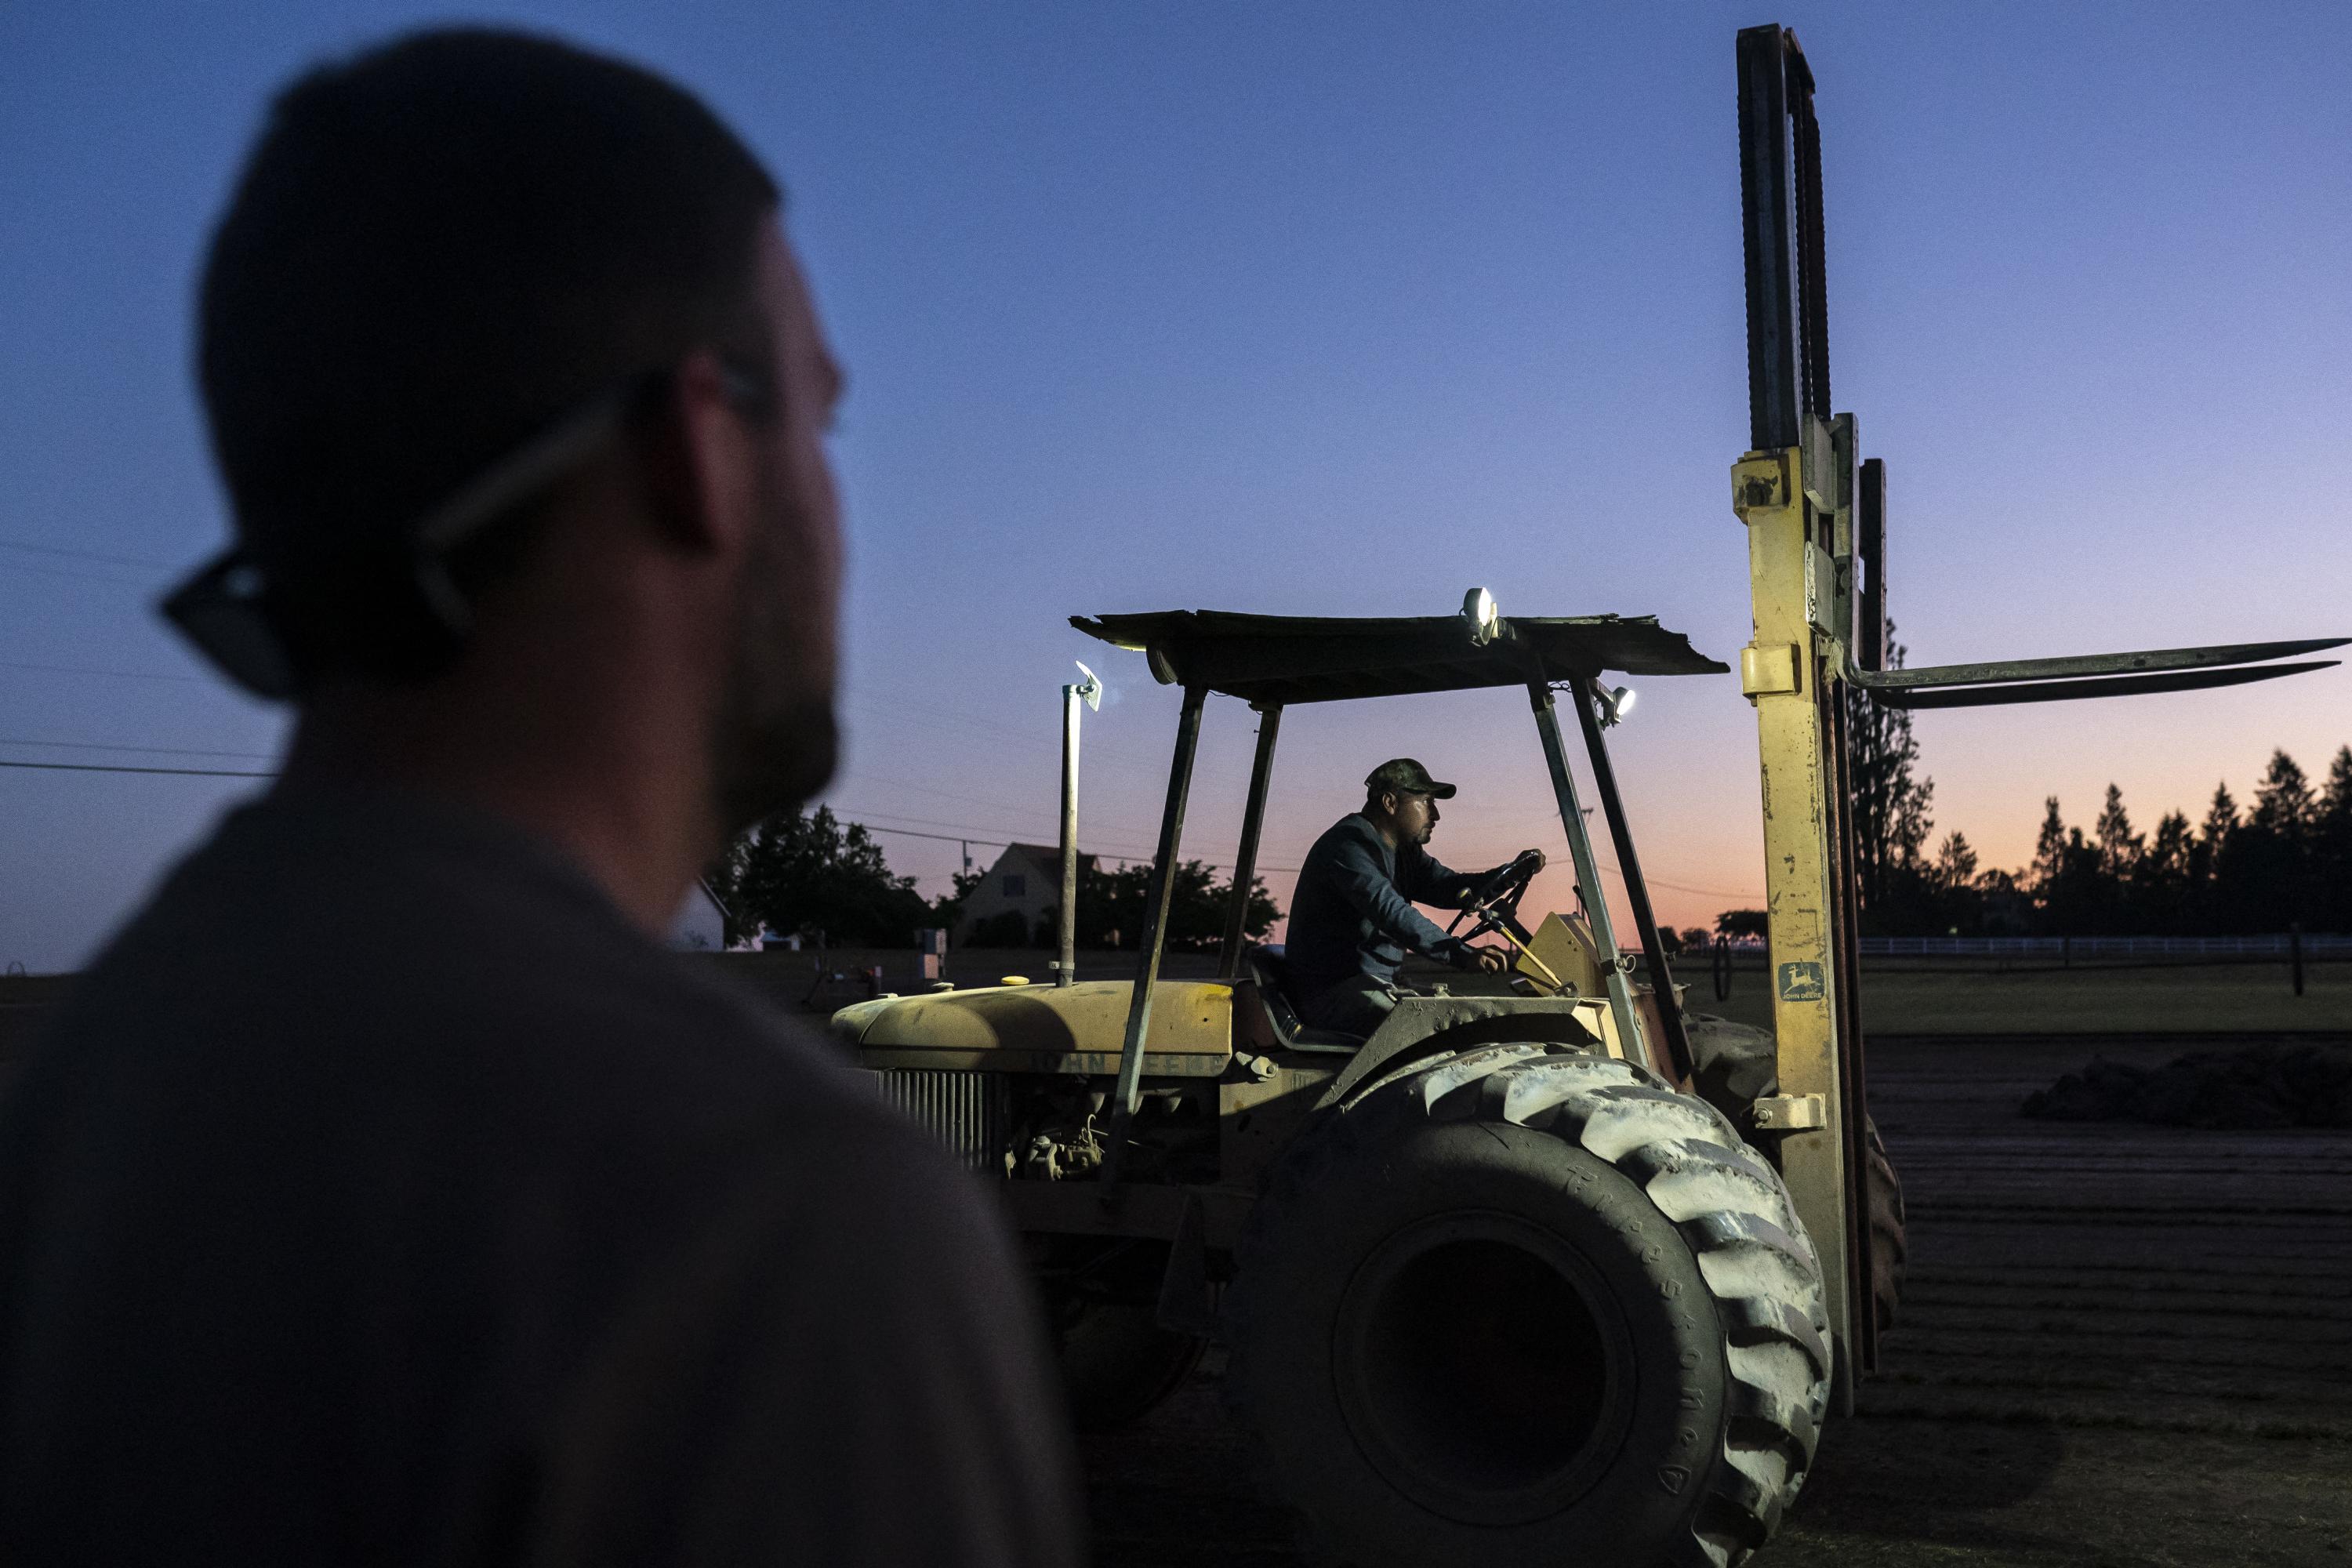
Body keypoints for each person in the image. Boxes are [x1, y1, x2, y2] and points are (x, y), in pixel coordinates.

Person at [0, 29, 1082, 1567]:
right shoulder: (771, 1220)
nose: (839, 509)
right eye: (821, 424)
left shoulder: (90, 1093)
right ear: (699, 447)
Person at [1283, 758, 1546, 1039]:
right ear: (1390, 803)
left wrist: (1509, 876)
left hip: (1375, 985)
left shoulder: (1404, 852)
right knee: (1443, 1033)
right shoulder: (1348, 846)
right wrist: (1461, 954)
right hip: (1332, 996)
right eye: (1426, 802)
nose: (1435, 815)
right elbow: (1391, 912)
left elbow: (1450, 887)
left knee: (1476, 1020)